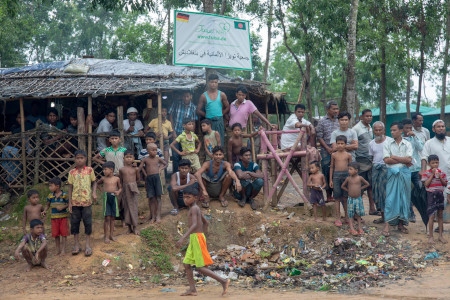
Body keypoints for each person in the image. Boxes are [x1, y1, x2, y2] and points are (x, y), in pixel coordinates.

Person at [175, 185, 230, 296]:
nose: (185, 199)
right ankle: (192, 289)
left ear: (195, 198)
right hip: (196, 238)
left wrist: (183, 238)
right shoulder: (195, 208)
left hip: (196, 238)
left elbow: (195, 224)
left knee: (200, 267)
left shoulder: (194, 208)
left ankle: (223, 281)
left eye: (188, 197)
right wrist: (202, 237)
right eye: (184, 197)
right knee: (186, 264)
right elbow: (206, 222)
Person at [382, 122, 413, 236]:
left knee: (404, 199)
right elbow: (386, 160)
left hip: (404, 173)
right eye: (391, 130)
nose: (392, 132)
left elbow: (409, 159)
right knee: (390, 199)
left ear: (400, 131)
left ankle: (401, 224)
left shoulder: (407, 144)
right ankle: (387, 225)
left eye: (394, 130)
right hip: (392, 173)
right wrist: (403, 159)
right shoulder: (387, 143)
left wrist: (394, 157)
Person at [68, 149, 96, 256]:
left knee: (87, 222)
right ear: (74, 159)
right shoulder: (72, 172)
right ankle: (76, 245)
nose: (79, 160)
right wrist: (70, 202)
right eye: (77, 158)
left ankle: (87, 245)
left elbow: (94, 182)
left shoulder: (89, 170)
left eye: (81, 158)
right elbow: (70, 187)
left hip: (86, 202)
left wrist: (94, 193)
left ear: (85, 159)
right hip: (75, 203)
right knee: (74, 223)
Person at [352, 109, 376, 215]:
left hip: (370, 160)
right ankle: (357, 210)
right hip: (360, 161)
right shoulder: (356, 129)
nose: (369, 118)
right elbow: (354, 145)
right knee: (360, 186)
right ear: (362, 117)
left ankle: (372, 208)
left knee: (370, 185)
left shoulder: (371, 128)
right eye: (367, 116)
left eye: (370, 116)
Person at [369, 121, 393, 224]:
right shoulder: (371, 143)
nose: (378, 132)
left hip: (387, 169)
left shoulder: (390, 141)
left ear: (384, 130)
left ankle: (390, 218)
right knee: (377, 193)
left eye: (380, 130)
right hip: (376, 170)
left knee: (387, 193)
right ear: (373, 131)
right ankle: (383, 217)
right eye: (376, 130)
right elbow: (371, 157)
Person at [196, 73, 230, 147]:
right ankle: (210, 157)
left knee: (220, 142)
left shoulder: (222, 94)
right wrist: (207, 115)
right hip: (209, 123)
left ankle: (220, 157)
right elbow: (198, 110)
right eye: (212, 82)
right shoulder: (203, 96)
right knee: (209, 143)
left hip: (219, 121)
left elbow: (228, 107)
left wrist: (221, 114)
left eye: (215, 82)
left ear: (218, 83)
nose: (213, 84)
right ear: (208, 83)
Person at [93, 161, 122, 243]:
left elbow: (120, 188)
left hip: (114, 198)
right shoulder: (103, 178)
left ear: (111, 170)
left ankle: (111, 235)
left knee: (113, 217)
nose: (104, 171)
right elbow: (96, 183)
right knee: (107, 218)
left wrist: (118, 191)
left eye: (105, 169)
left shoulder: (117, 179)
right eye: (103, 170)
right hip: (106, 198)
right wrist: (97, 191)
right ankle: (106, 236)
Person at [316, 100, 339, 201]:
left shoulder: (339, 120)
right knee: (326, 170)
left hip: (338, 150)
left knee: (337, 171)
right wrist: (328, 148)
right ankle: (329, 195)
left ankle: (336, 194)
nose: (336, 111)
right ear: (328, 109)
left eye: (337, 109)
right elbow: (319, 137)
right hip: (326, 151)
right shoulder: (322, 121)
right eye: (333, 109)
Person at [169, 91, 198, 172]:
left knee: (186, 155)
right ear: (182, 96)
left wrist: (192, 135)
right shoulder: (176, 103)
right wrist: (173, 131)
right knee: (175, 155)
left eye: (187, 96)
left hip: (187, 134)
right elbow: (170, 115)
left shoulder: (193, 107)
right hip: (176, 132)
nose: (186, 98)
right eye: (184, 96)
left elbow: (193, 121)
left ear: (191, 97)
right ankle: (176, 174)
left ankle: (185, 174)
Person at [422, 155, 448, 244]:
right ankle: (431, 236)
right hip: (431, 195)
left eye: (436, 162)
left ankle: (440, 235)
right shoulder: (426, 173)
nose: (435, 165)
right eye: (433, 163)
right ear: (429, 164)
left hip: (440, 195)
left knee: (440, 215)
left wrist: (439, 176)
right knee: (431, 216)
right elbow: (426, 184)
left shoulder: (442, 173)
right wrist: (432, 174)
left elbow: (445, 184)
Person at [402, 118, 424, 223]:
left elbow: (421, 148)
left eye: (410, 128)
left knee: (420, 190)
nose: (409, 130)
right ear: (402, 129)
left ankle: (424, 212)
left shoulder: (414, 138)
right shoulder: (401, 139)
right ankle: (411, 213)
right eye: (406, 128)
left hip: (416, 169)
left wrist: (414, 137)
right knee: (408, 193)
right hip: (406, 170)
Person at [139, 143, 167, 223]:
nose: (155, 152)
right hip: (149, 179)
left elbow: (165, 164)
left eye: (156, 150)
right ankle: (153, 216)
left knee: (158, 197)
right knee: (151, 198)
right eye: (153, 150)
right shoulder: (145, 159)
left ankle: (158, 216)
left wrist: (160, 169)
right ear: (148, 151)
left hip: (157, 178)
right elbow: (140, 167)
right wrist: (144, 174)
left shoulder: (158, 159)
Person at [341, 162, 370, 236]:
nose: (349, 171)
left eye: (351, 169)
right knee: (350, 214)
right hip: (350, 199)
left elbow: (367, 184)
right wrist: (349, 190)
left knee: (358, 214)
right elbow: (343, 186)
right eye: (348, 169)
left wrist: (360, 189)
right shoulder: (348, 178)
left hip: (358, 199)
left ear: (356, 170)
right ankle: (352, 228)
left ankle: (360, 228)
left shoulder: (360, 178)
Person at [42, 177, 69, 255]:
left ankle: (63, 250)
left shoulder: (64, 195)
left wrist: (62, 207)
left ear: (57, 186)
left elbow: (69, 204)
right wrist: (45, 210)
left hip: (63, 217)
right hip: (54, 218)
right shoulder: (50, 196)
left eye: (51, 186)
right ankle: (58, 250)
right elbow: (47, 205)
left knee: (64, 234)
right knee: (56, 234)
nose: (49, 187)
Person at [329, 135, 352, 227]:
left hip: (346, 176)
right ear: (336, 144)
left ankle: (346, 216)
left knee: (345, 197)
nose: (340, 145)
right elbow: (332, 167)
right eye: (338, 143)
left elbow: (351, 168)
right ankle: (338, 218)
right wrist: (330, 179)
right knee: (337, 197)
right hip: (336, 176)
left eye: (342, 143)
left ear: (346, 144)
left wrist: (350, 179)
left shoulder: (348, 155)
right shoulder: (333, 155)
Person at [119, 150, 140, 235]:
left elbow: (138, 179)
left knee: (134, 207)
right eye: (127, 157)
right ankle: (129, 227)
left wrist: (133, 186)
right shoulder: (121, 169)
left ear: (133, 158)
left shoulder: (136, 169)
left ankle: (135, 227)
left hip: (133, 189)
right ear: (123, 158)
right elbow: (120, 180)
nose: (128, 159)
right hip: (125, 189)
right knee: (127, 207)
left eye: (130, 157)